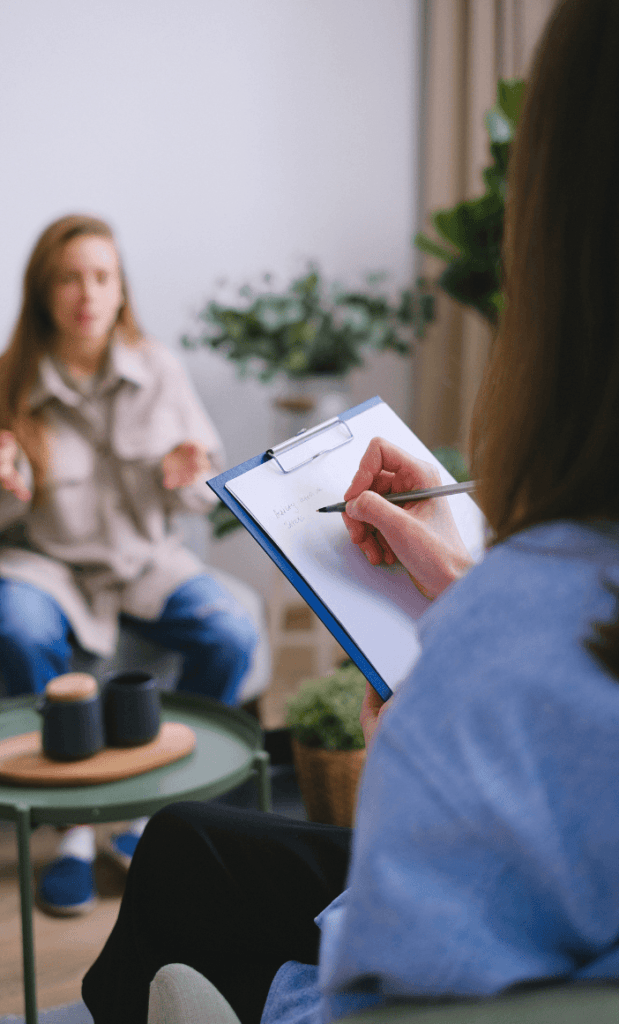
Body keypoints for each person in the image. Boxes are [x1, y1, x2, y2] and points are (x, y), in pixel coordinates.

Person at [82, 0, 619, 1020]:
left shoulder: (511, 666)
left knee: (189, 846)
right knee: (190, 838)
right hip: (72, 573)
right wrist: (465, 592)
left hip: (389, 950)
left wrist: (398, 794)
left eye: (100, 275)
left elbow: (365, 1001)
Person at [0, 214, 259, 915]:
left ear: (121, 290)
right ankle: (74, 830)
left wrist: (186, 481)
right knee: (17, 626)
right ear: (43, 291)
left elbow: (197, 501)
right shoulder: (11, 377)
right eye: (68, 277)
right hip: (48, 567)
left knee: (232, 633)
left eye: (101, 276)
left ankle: (155, 815)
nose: (86, 292)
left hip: (146, 564)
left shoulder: (160, 369)